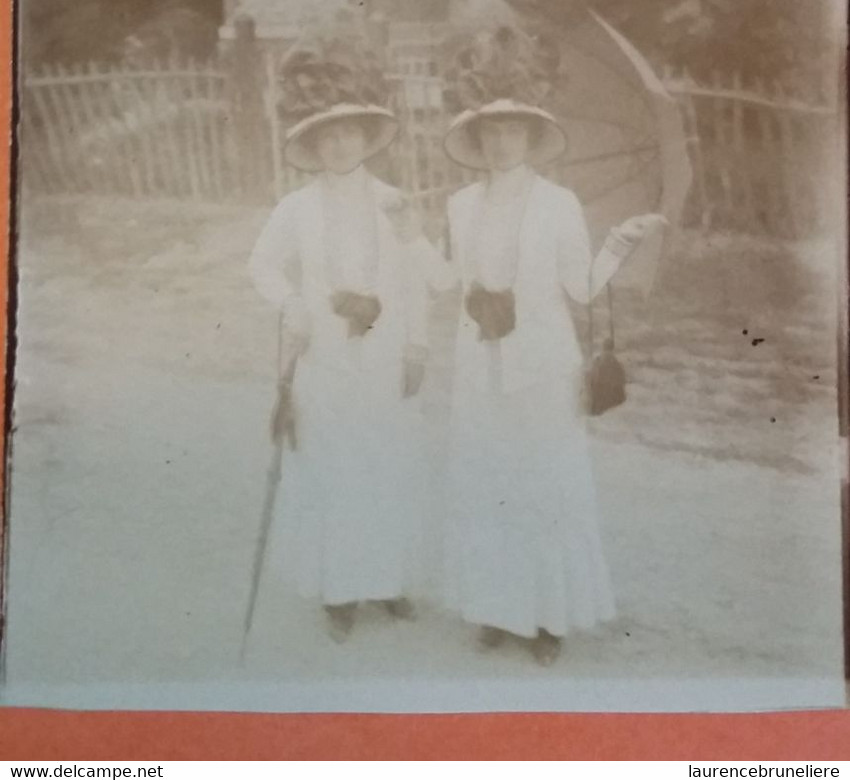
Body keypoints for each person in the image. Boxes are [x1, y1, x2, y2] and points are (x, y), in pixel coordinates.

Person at [423, 81, 665, 667]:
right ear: (476, 139)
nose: (502, 142)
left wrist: (618, 244)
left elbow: (580, 288)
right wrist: (411, 242)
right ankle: (496, 610)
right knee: (488, 485)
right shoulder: (459, 206)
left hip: (541, 368)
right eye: (491, 131)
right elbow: (449, 282)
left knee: (543, 486)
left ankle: (548, 617)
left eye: (514, 131)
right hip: (481, 366)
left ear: (532, 138)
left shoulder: (558, 204)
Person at [248, 43, 429, 643]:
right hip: (323, 355)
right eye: (327, 136)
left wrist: (417, 346)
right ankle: (338, 589)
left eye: (349, 132)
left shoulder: (394, 202)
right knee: (332, 466)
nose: (340, 145)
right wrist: (292, 303)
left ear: (366, 136)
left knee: (383, 464)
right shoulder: (296, 209)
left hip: (382, 351)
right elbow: (262, 267)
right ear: (313, 145)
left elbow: (414, 277)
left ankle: (387, 581)